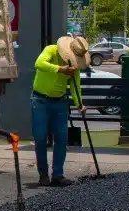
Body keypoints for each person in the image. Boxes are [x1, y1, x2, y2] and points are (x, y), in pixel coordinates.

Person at [30, 35, 88, 187]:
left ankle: (58, 174)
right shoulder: (51, 50)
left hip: (60, 102)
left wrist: (79, 104)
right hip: (40, 100)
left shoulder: (74, 66)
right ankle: (43, 174)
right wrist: (59, 69)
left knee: (62, 139)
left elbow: (76, 86)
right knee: (40, 137)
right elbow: (39, 64)